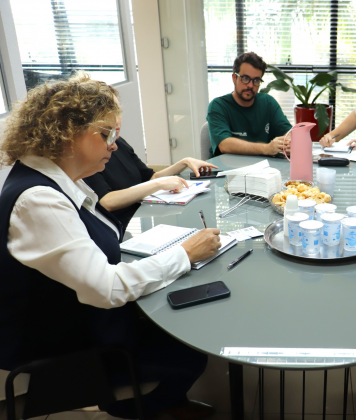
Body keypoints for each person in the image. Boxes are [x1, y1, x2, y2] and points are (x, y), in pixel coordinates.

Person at [0, 75, 222, 420]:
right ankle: (132, 409)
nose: (114, 145)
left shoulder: (58, 180)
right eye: (106, 134)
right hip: (69, 343)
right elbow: (106, 288)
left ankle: (165, 403)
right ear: (68, 132)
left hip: (86, 317)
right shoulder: (39, 200)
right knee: (189, 353)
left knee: (181, 313)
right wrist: (184, 254)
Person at [84, 94, 218, 233]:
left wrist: (184, 162)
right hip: (120, 224)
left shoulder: (120, 142)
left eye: (118, 112)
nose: (116, 120)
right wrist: (158, 184)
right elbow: (106, 202)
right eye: (110, 114)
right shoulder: (93, 155)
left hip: (143, 212)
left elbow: (150, 177)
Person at [206, 51, 293, 157]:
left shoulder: (268, 102)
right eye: (245, 78)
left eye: (256, 80)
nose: (251, 85)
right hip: (228, 166)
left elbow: (288, 133)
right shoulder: (218, 106)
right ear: (234, 78)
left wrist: (290, 143)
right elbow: (224, 145)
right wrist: (266, 148)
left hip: (265, 166)